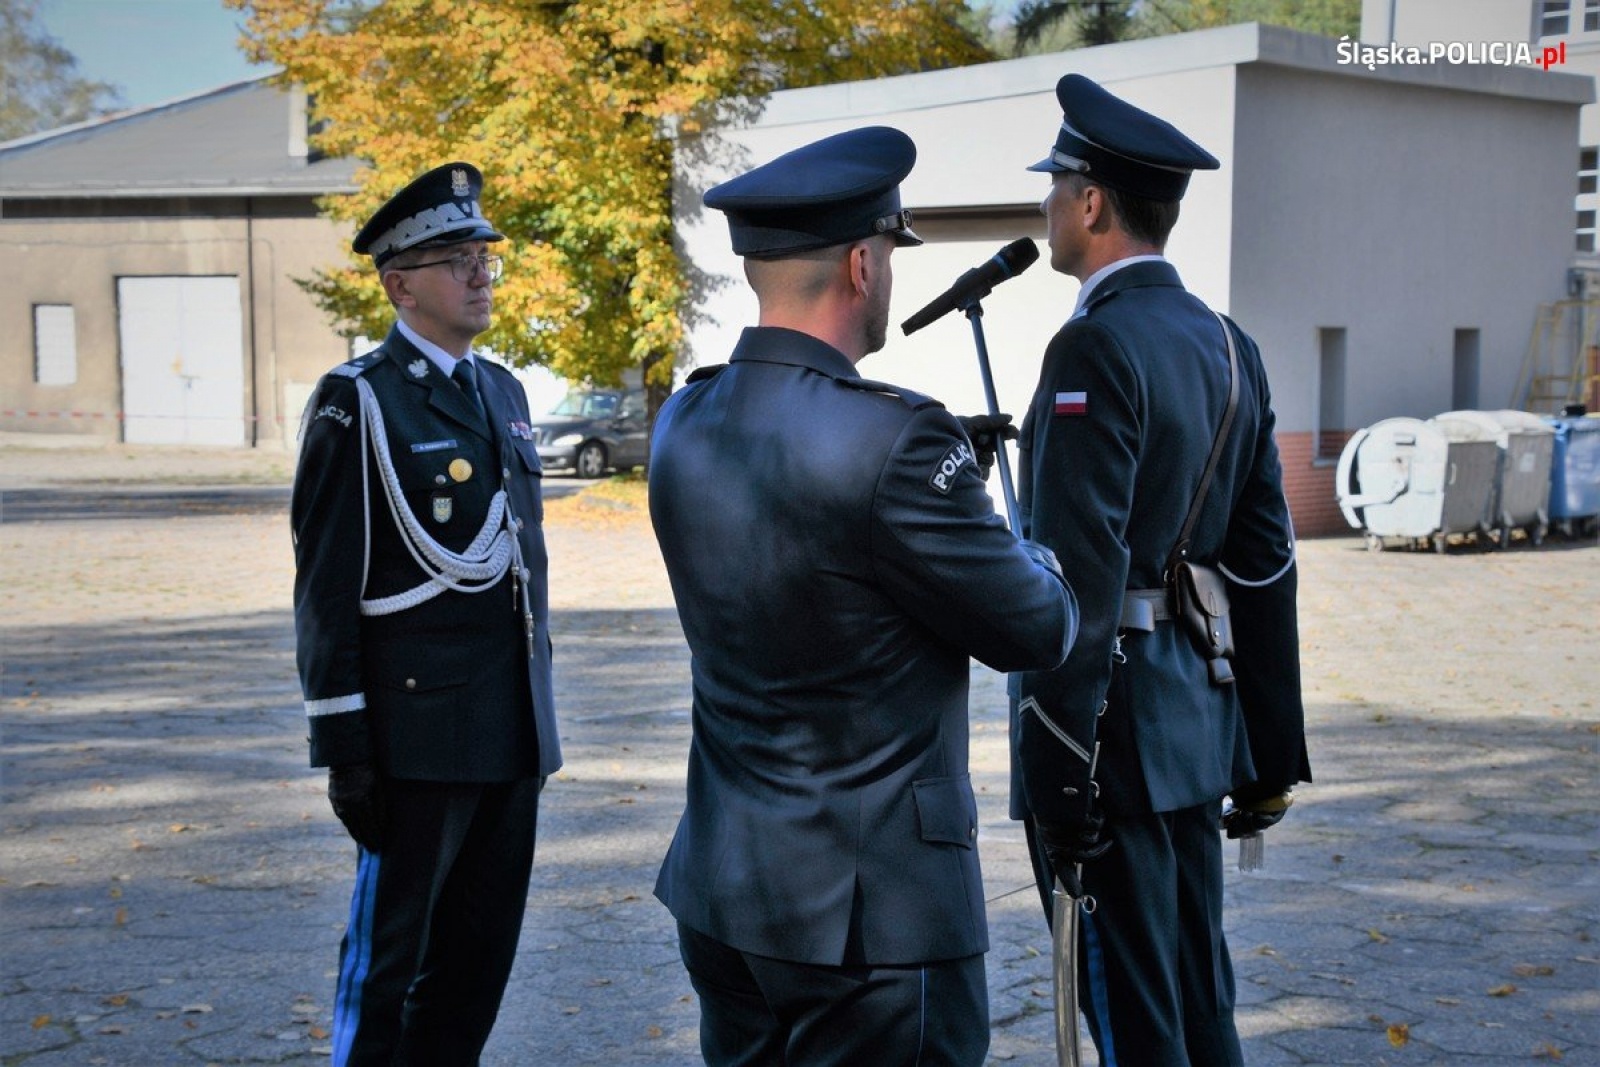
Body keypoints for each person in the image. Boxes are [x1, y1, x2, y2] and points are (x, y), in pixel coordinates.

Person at [648, 126, 1078, 1067]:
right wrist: (1019, 537)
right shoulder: (901, 442)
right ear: (858, 264)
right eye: (886, 255)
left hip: (727, 885)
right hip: (866, 921)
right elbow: (1036, 626)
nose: (887, 275)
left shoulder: (683, 419)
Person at [1010, 75, 1313, 1066]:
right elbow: (1264, 563)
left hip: (1111, 739)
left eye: (1055, 187)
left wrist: (1057, 765)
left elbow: (1073, 578)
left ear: (1090, 202)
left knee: (1134, 1008)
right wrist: (1269, 747)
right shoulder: (1231, 345)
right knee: (1195, 994)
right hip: (1198, 721)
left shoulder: (1093, 345)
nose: (1046, 208)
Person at [290, 162, 561, 1066]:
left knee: (478, 961)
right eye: (455, 259)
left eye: (484, 255)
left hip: (508, 729)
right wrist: (346, 747)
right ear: (399, 283)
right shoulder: (358, 399)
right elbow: (326, 587)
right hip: (414, 737)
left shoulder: (507, 393)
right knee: (389, 962)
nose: (481, 273)